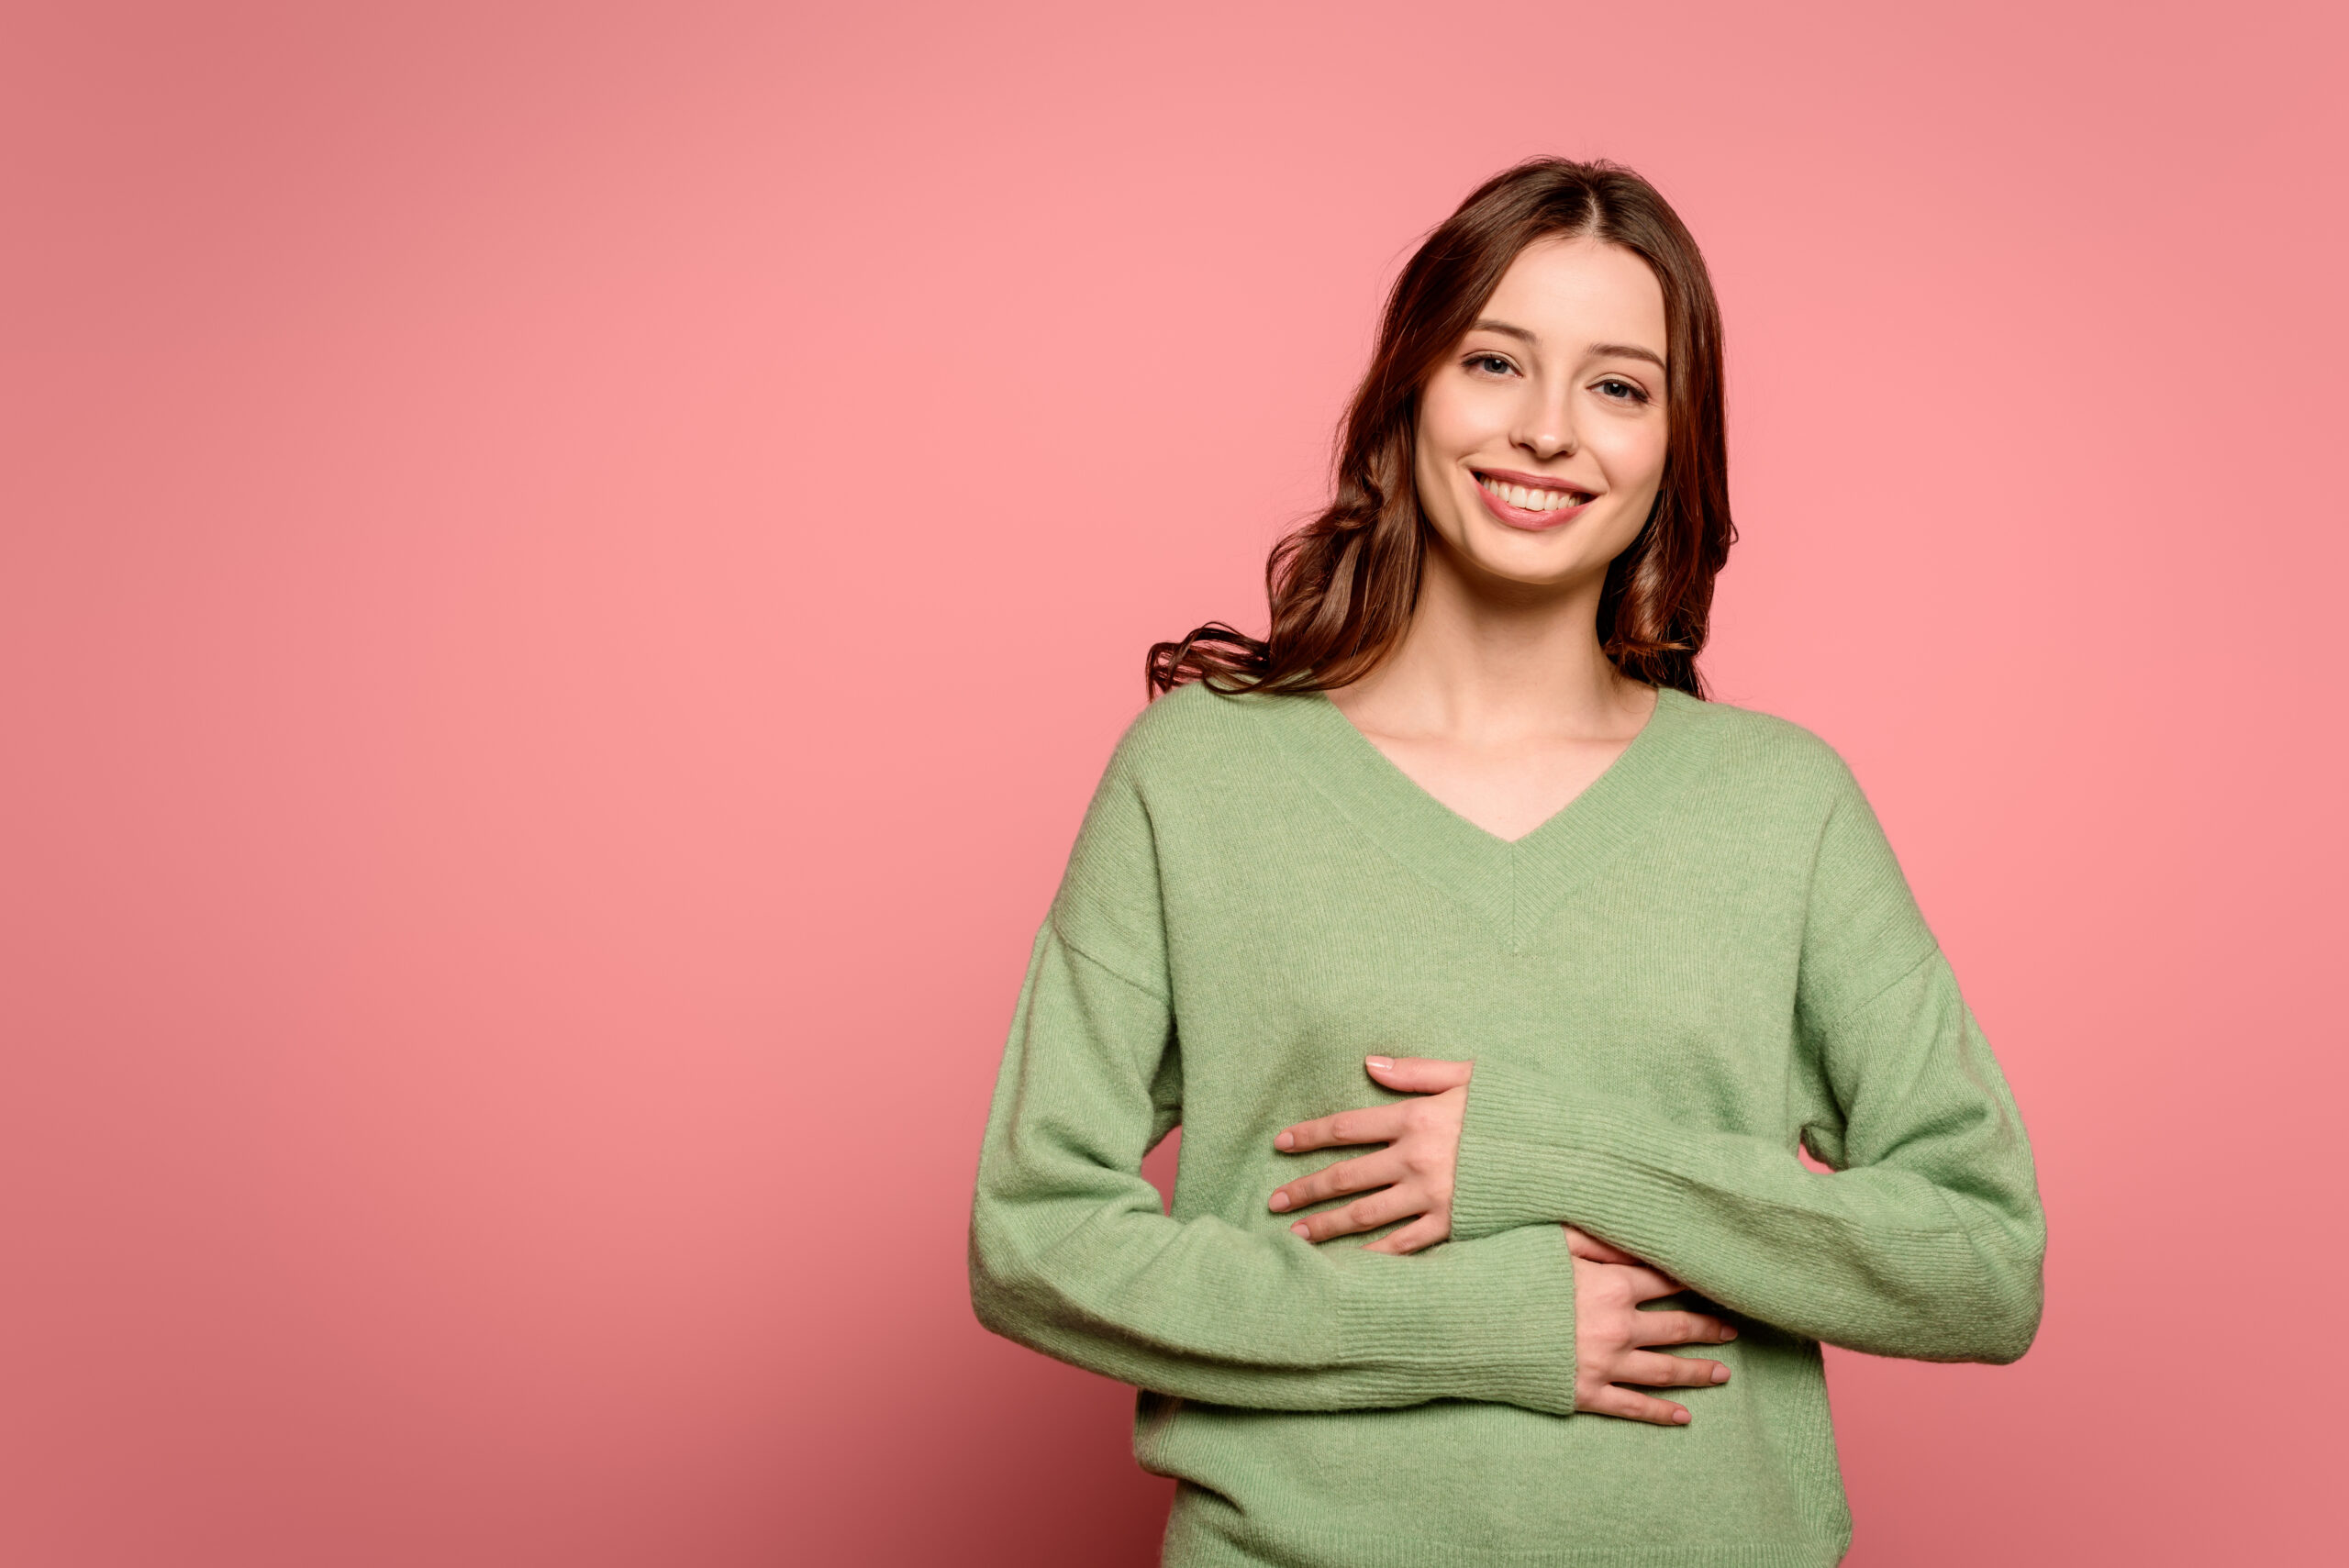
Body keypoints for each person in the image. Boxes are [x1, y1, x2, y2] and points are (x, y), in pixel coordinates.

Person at [966, 157, 2045, 1568]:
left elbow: (1982, 1260)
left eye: (1618, 385)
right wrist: (1481, 1326)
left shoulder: (1782, 807)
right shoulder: (1201, 778)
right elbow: (1036, 1236)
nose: (1546, 431)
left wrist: (1558, 1158)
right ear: (1410, 391)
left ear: (1676, 446)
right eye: (1494, 361)